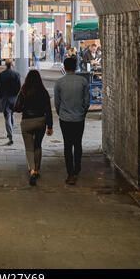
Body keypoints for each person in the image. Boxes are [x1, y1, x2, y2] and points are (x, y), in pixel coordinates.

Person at [54, 57, 90, 185]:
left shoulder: (59, 83)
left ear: (64, 67)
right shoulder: (83, 81)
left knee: (67, 145)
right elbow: (87, 101)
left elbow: (57, 103)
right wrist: (82, 113)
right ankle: (77, 168)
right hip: (79, 119)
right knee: (78, 143)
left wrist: (62, 114)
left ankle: (70, 172)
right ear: (76, 67)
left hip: (65, 119)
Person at [14, 70, 53, 186]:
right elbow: (49, 111)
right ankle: (37, 169)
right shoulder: (44, 92)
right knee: (37, 146)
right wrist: (50, 126)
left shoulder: (23, 91)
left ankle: (31, 170)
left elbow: (17, 108)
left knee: (29, 148)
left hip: (27, 122)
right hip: (41, 121)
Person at [0, 58, 21, 146]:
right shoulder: (16, 74)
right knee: (12, 114)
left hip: (5, 98)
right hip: (13, 98)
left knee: (7, 117)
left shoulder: (1, 75)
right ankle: (11, 131)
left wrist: (0, 97)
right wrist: (16, 96)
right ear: (12, 64)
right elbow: (19, 87)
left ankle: (10, 137)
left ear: (5, 65)